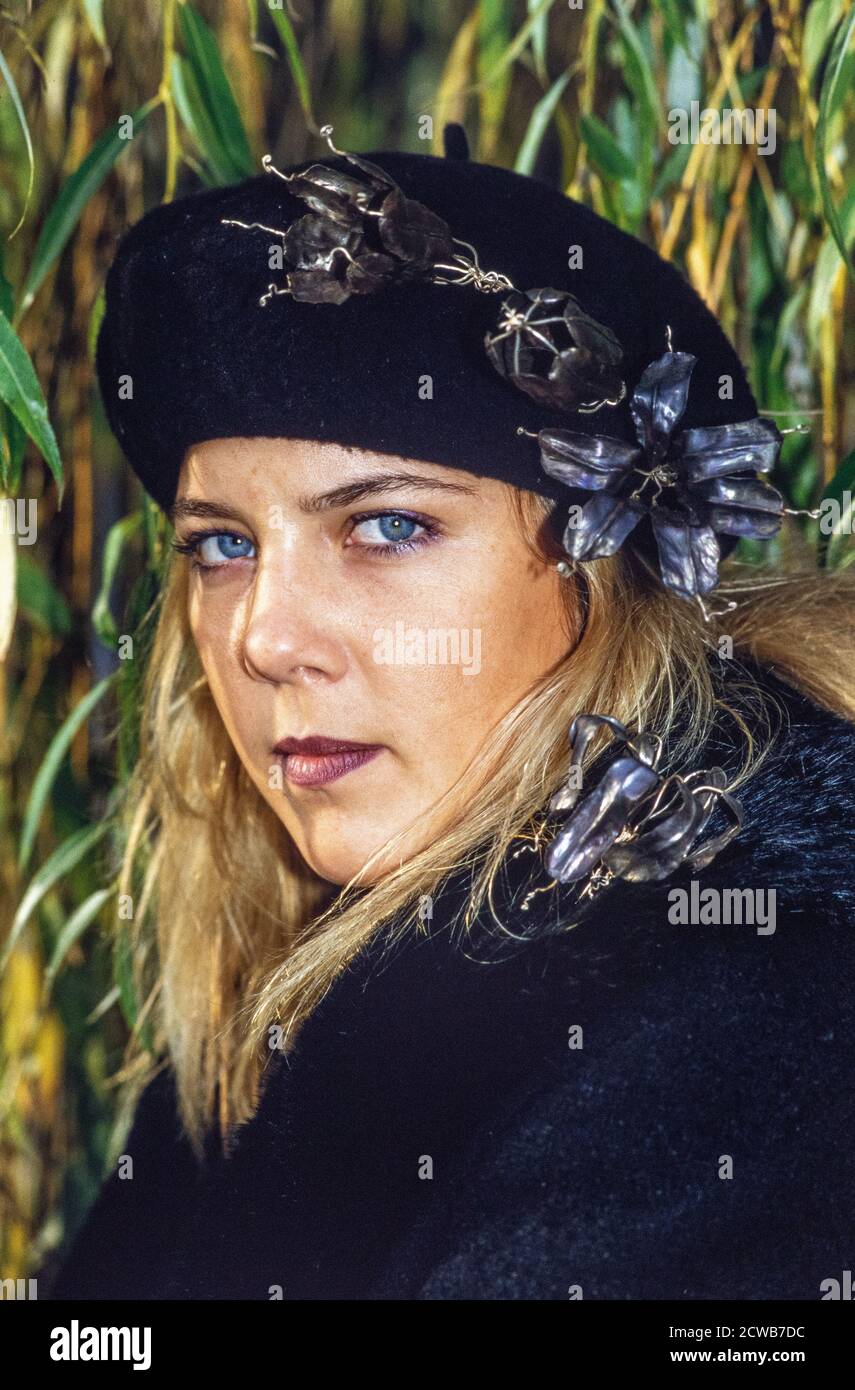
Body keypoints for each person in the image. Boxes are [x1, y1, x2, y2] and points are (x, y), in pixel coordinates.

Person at [44, 125, 855, 1300]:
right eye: (222, 545)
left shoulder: (745, 1038)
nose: (265, 637)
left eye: (386, 527)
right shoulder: (261, 1026)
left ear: (610, 573)